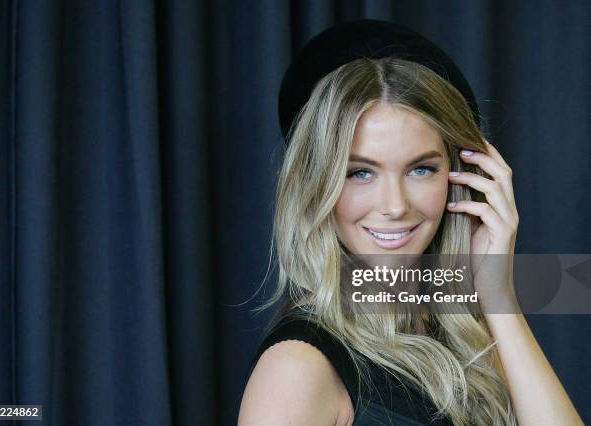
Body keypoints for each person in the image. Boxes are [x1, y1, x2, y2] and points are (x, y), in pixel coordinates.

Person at [238, 20, 582, 425]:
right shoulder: (298, 366)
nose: (395, 206)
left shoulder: (462, 332)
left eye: (420, 169)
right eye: (359, 173)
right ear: (317, 185)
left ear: (460, 176)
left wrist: (498, 293)